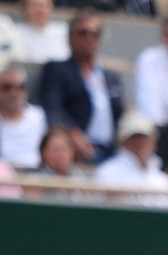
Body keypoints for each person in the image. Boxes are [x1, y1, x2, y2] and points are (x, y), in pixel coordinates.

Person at [39, 12, 120, 164]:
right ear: (70, 38)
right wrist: (74, 135)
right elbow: (53, 108)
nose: (89, 37)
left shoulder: (110, 77)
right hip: (77, 150)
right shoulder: (57, 69)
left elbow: (119, 113)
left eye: (95, 34)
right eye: (83, 32)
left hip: (111, 150)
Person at [94, 111, 168, 202]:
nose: (141, 144)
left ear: (154, 143)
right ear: (122, 142)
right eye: (134, 139)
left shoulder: (163, 180)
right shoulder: (107, 172)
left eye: (145, 139)